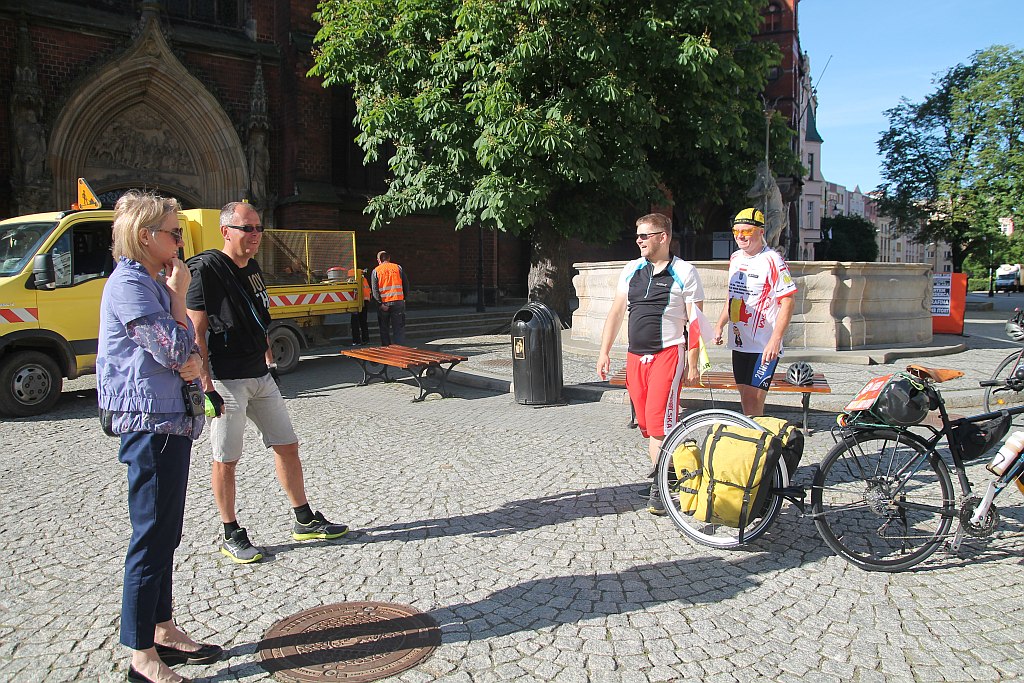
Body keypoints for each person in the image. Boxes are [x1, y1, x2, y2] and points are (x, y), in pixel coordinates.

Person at [97, 191, 223, 682]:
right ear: (146, 236)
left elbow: (186, 355)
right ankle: (141, 655)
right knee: (150, 535)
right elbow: (178, 349)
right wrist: (179, 295)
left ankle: (163, 628)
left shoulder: (147, 279)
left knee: (166, 531)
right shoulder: (130, 284)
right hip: (149, 424)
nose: (180, 240)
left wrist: (173, 302)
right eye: (174, 232)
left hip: (168, 421)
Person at [186, 201, 349, 564]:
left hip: (260, 376)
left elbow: (260, 312)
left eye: (259, 228)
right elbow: (195, 331)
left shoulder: (254, 267)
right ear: (226, 231)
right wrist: (206, 385)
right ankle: (230, 532)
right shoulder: (206, 270)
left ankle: (304, 518)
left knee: (287, 445)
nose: (256, 235)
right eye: (248, 228)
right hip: (227, 380)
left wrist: (265, 350)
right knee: (226, 459)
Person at [596, 213, 705, 515]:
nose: (639, 241)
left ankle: (661, 486)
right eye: (638, 236)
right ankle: (669, 472)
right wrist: (604, 352)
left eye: (645, 236)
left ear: (663, 236)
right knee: (646, 422)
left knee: (659, 421)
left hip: (668, 354)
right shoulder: (632, 269)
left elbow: (695, 321)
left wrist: (693, 363)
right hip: (635, 356)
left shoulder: (685, 271)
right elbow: (617, 312)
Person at [713, 208, 797, 417]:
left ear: (761, 232)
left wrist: (776, 340)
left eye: (747, 231)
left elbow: (788, 301)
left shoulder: (772, 260)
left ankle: (759, 444)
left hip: (763, 345)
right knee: (745, 398)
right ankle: (754, 442)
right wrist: (719, 324)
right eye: (736, 231)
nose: (740, 236)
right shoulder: (735, 258)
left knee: (753, 399)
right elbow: (733, 296)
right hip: (740, 342)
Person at [371, 250, 408, 345]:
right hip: (398, 302)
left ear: (378, 260)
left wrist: (380, 303)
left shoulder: (376, 271)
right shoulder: (398, 268)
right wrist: (404, 299)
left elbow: (375, 290)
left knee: (384, 329)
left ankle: (386, 351)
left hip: (385, 304)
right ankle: (400, 352)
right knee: (399, 329)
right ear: (389, 258)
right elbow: (406, 284)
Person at [349, 267, 371, 345]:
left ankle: (356, 340)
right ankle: (366, 339)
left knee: (355, 322)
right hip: (364, 301)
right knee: (363, 322)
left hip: (356, 302)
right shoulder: (363, 279)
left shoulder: (353, 279)